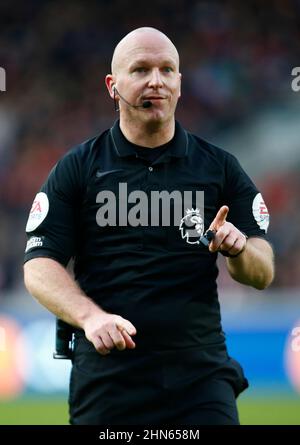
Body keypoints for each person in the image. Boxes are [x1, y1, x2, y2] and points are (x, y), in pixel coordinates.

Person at [23, 27, 274, 425]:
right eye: (140, 70)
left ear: (180, 83)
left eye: (166, 70)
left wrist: (241, 249)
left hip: (200, 377)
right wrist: (90, 318)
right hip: (108, 379)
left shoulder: (220, 167)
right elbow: (38, 265)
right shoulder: (78, 167)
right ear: (113, 85)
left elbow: (262, 273)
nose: (155, 81)